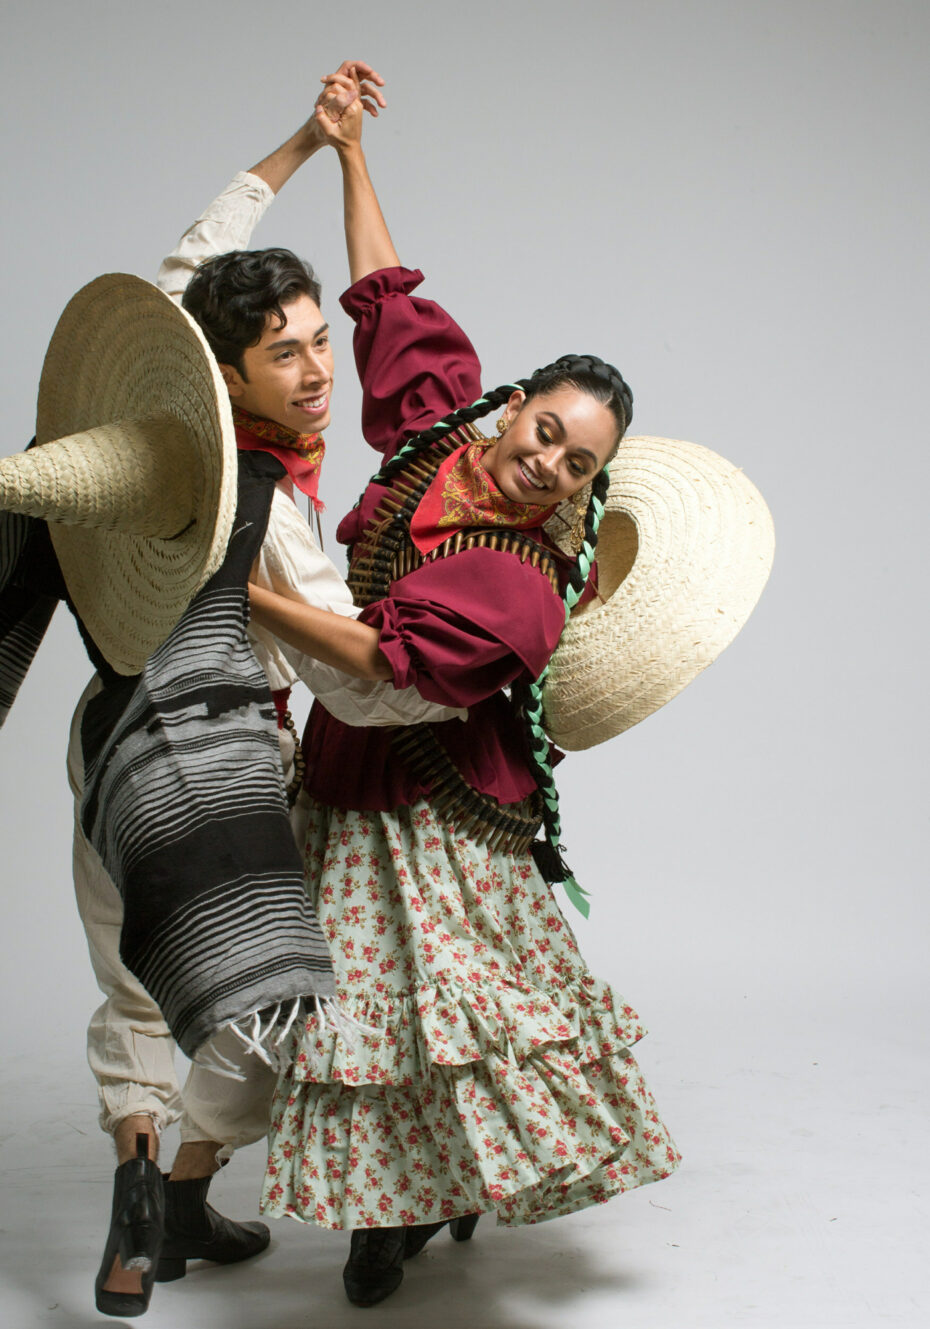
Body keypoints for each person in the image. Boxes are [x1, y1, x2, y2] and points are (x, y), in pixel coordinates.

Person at [248, 85, 681, 1308]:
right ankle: (404, 1203)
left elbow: (379, 664)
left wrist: (236, 590)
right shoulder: (439, 431)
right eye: (544, 430)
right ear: (515, 403)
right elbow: (381, 297)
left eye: (576, 464)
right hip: (348, 771)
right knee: (365, 1012)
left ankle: (413, 1209)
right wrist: (350, 153)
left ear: (587, 484)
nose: (545, 464)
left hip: (443, 808)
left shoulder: (524, 585)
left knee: (449, 1014)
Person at [58, 62, 460, 1318]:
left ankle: (143, 1204)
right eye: (284, 354)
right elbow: (357, 677)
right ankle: (185, 1190)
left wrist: (309, 140)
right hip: (223, 765)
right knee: (267, 997)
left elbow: (193, 257)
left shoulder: (156, 417)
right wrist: (463, 687)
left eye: (320, 341)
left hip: (108, 740)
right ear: (228, 374)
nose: (318, 370)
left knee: (131, 983)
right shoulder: (270, 508)